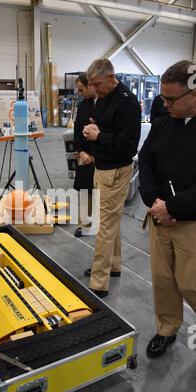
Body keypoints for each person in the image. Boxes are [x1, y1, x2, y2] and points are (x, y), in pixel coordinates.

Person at [139, 60, 196, 358]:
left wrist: (173, 206)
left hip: (190, 223)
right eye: (162, 97)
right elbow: (145, 161)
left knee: (191, 283)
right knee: (163, 281)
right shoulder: (163, 123)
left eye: (171, 98)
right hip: (159, 219)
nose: (164, 103)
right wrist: (153, 201)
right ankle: (167, 327)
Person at [81, 58, 141, 298]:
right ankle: (113, 265)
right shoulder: (104, 98)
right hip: (102, 167)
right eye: (91, 85)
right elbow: (105, 126)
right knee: (110, 219)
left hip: (116, 170)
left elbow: (128, 146)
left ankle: (99, 280)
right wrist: (93, 131)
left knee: (104, 225)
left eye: (97, 84)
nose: (94, 90)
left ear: (110, 77)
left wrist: (99, 137)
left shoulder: (127, 103)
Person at [73, 73, 97, 237]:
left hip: (101, 158)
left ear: (90, 85)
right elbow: (76, 132)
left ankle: (98, 223)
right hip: (84, 155)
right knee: (83, 191)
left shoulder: (104, 104)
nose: (80, 93)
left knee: (99, 193)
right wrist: (81, 152)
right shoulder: (83, 105)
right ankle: (85, 224)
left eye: (81, 89)